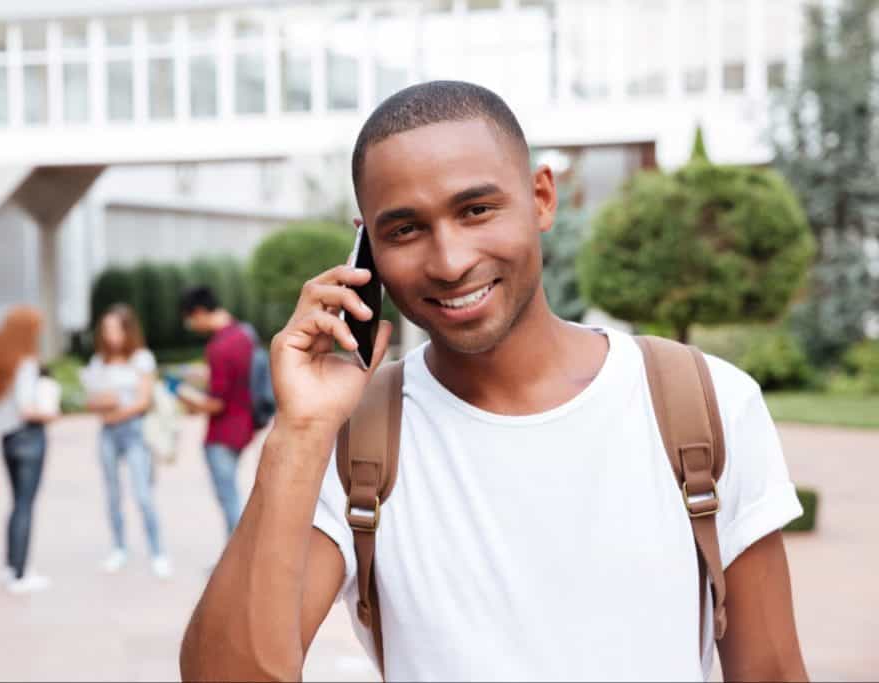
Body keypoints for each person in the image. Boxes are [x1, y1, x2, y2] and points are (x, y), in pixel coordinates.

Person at [179, 81, 808, 681]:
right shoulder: (352, 441)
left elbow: (772, 673)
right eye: (405, 229)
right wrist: (300, 431)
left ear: (541, 198)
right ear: (366, 245)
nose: (450, 261)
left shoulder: (705, 402)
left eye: (476, 210)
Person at [85, 304, 171, 578]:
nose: (110, 334)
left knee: (143, 494)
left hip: (134, 432)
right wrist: (104, 405)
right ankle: (119, 548)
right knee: (112, 494)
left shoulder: (141, 359)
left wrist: (114, 410)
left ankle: (158, 553)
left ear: (127, 329)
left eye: (115, 328)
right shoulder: (99, 361)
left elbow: (143, 401)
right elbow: (92, 399)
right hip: (108, 434)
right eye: (106, 328)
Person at [0, 306, 57, 595]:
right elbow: (27, 409)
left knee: (16, 504)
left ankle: (11, 565)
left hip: (8, 440)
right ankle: (21, 574)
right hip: (29, 438)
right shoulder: (25, 364)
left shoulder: (2, 364)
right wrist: (50, 414)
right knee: (25, 504)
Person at [177, 286, 255, 537]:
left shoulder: (219, 347)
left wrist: (184, 397)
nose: (190, 324)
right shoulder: (244, 335)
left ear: (199, 312)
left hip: (221, 434)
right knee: (234, 496)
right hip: (245, 427)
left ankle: (235, 563)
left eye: (190, 318)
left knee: (229, 500)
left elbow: (216, 403)